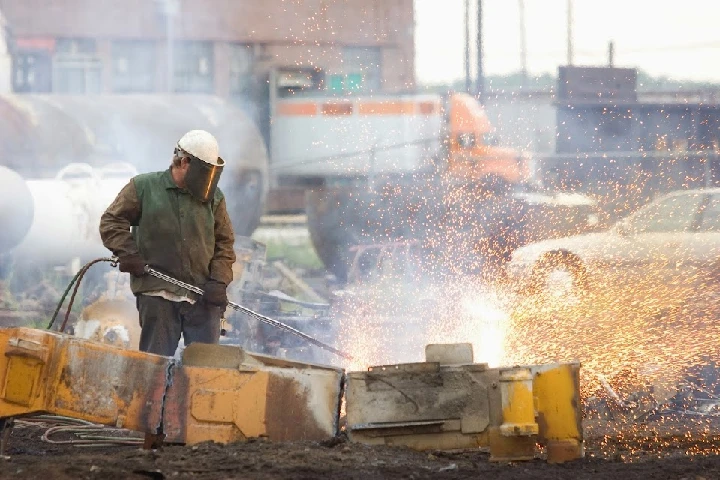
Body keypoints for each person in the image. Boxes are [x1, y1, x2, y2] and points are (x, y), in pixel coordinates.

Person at [99, 130, 236, 356]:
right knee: (155, 366)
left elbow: (224, 244)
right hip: (157, 296)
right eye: (204, 172)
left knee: (206, 370)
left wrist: (219, 282)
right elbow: (111, 221)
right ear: (183, 162)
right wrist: (128, 253)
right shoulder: (144, 187)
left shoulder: (215, 198)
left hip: (202, 298)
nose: (208, 181)